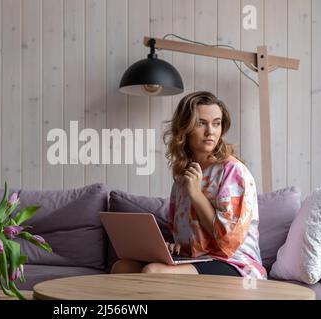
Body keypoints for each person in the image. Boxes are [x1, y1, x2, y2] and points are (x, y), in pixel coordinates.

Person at [111, 91, 267, 279]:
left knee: (153, 273)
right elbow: (187, 236)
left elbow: (227, 242)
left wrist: (197, 195)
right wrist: (177, 247)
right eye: (201, 123)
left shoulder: (233, 172)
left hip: (237, 265)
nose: (210, 131)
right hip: (198, 261)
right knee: (123, 268)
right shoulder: (183, 177)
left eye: (216, 123)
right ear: (185, 128)